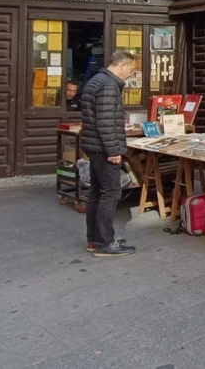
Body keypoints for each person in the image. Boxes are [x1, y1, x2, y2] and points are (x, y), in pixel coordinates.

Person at [81, 51, 137, 257]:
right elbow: (105, 121)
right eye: (130, 71)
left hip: (95, 146)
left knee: (97, 192)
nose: (129, 75)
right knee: (111, 192)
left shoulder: (96, 80)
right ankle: (104, 243)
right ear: (121, 65)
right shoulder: (108, 85)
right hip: (104, 148)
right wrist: (113, 150)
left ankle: (94, 239)